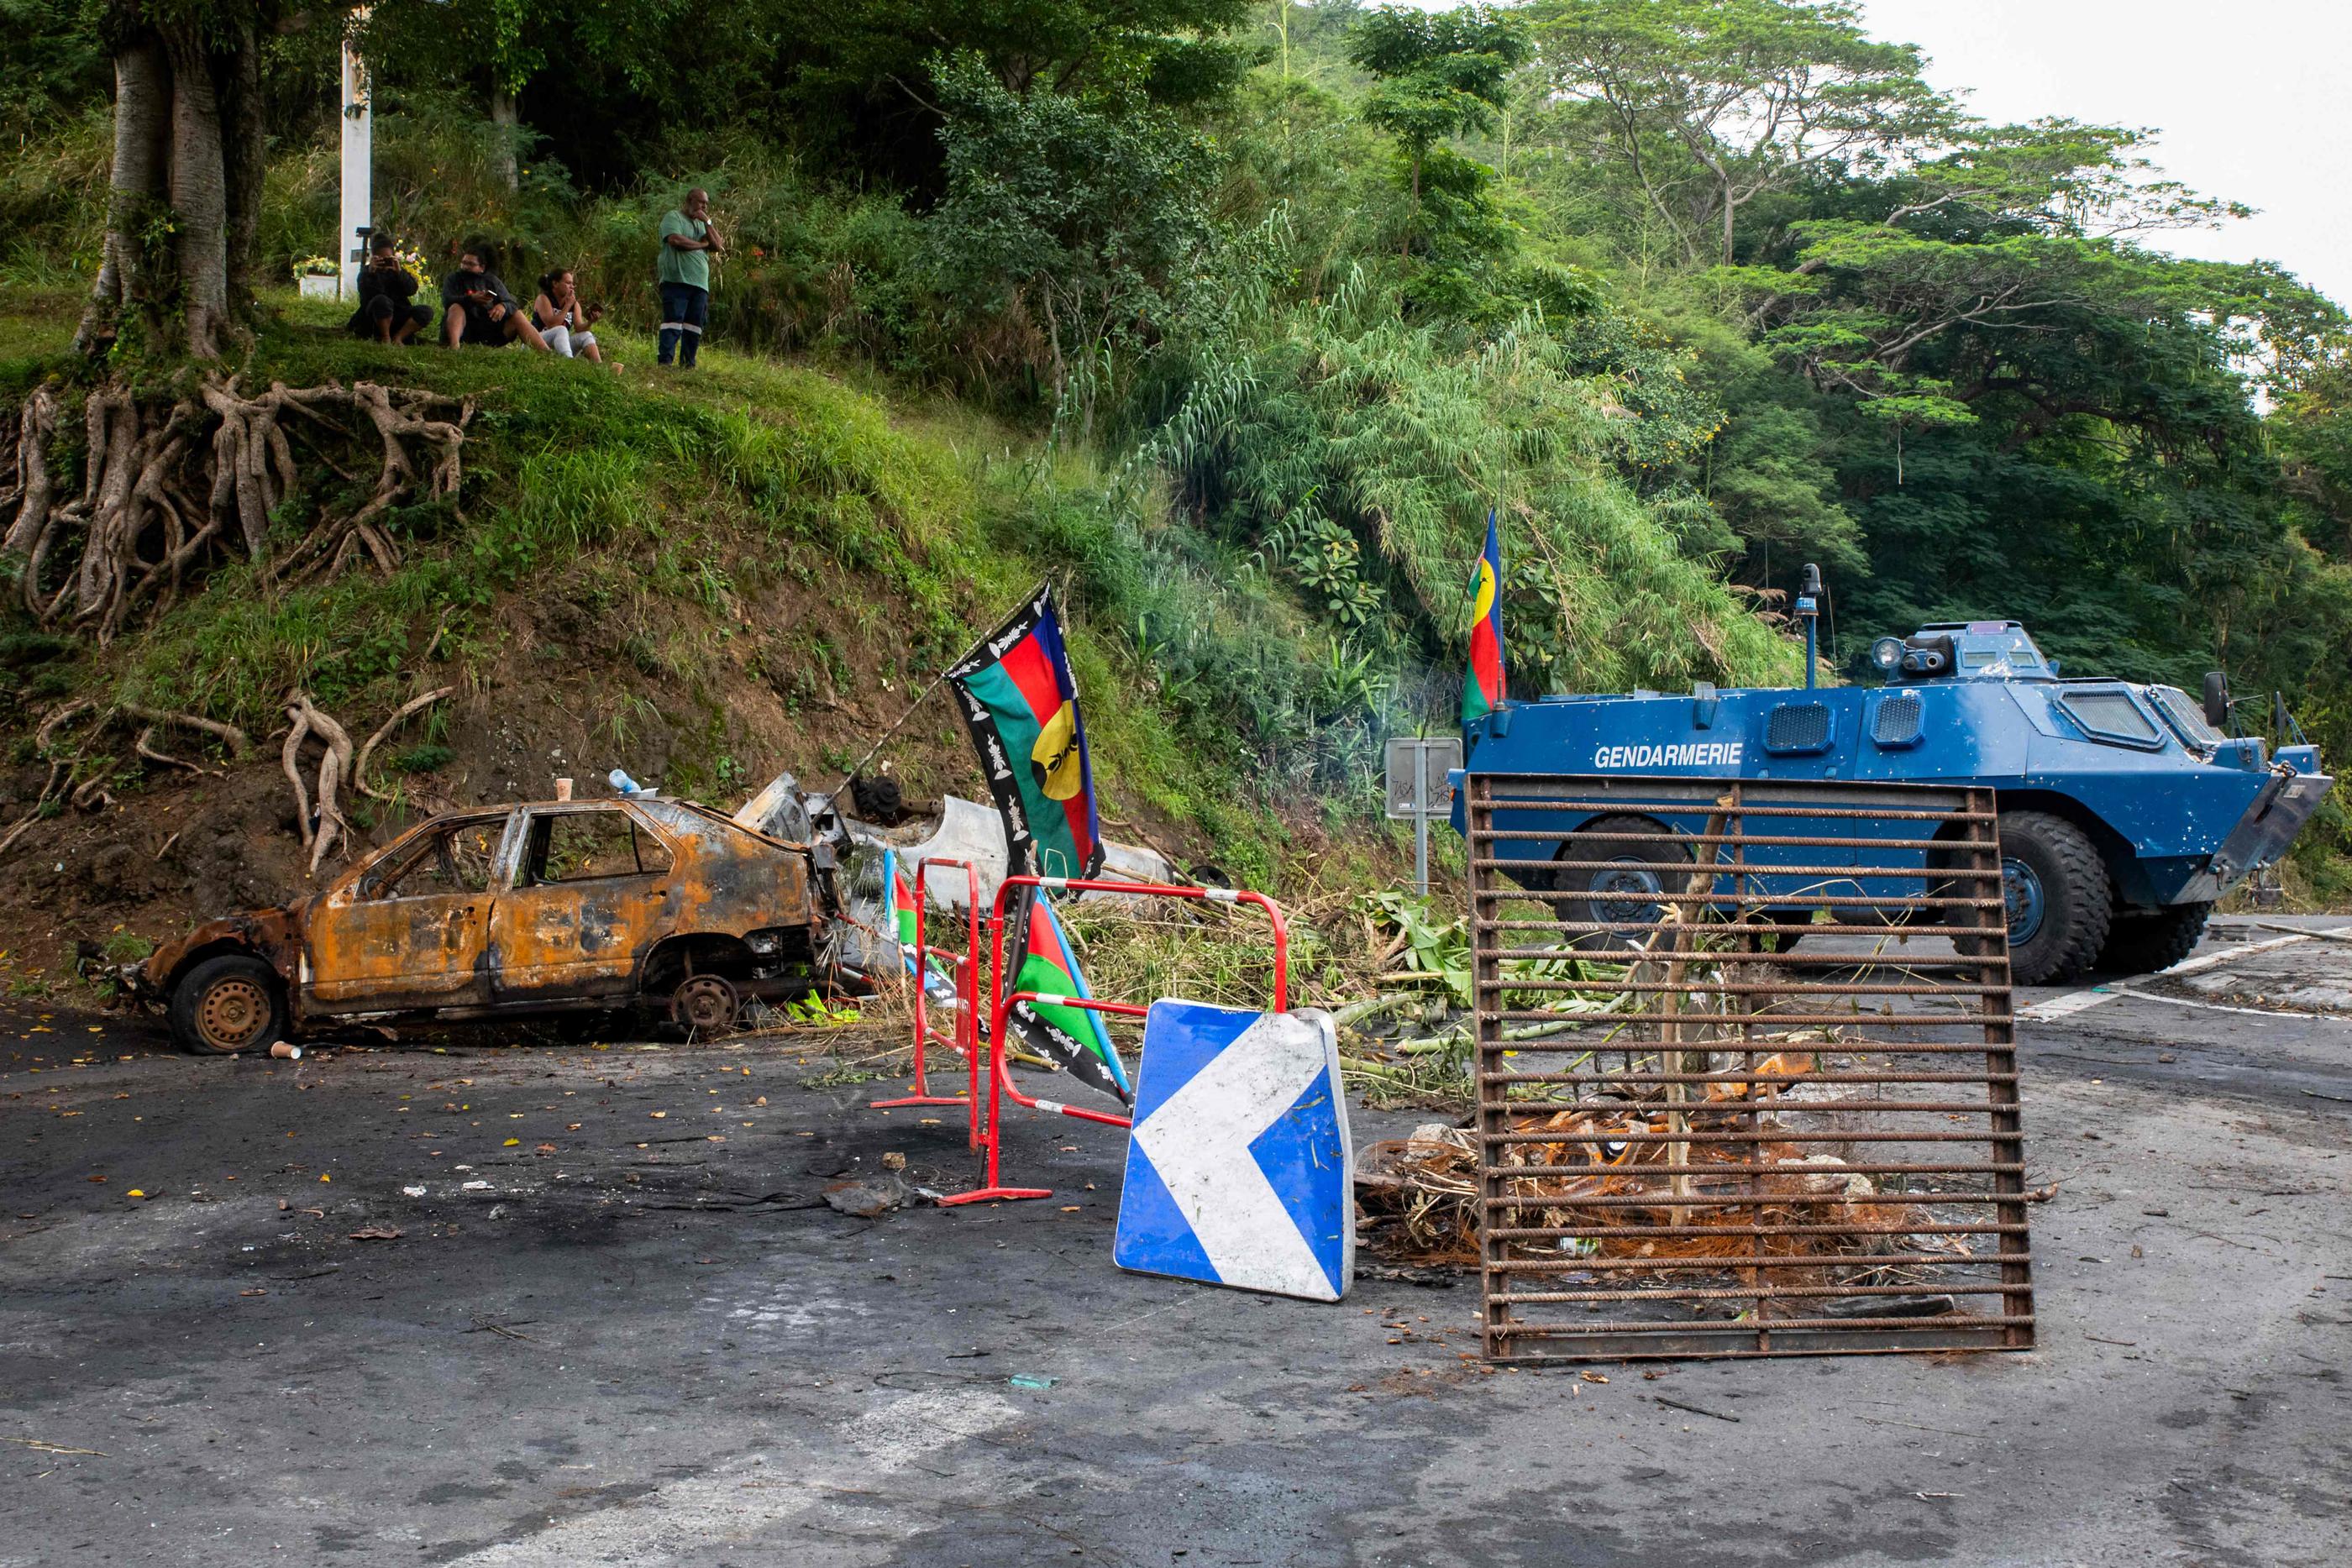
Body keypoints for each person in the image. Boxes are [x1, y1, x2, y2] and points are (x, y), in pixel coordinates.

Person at [439, 241, 549, 350]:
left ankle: (545, 351)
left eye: (471, 264)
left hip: (489, 331)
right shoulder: (453, 278)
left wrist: (503, 306)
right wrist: (470, 299)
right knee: (455, 307)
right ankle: (454, 347)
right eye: (463, 263)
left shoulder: (492, 281)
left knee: (517, 314)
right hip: (464, 329)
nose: (465, 267)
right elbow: (447, 300)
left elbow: (512, 303)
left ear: (482, 267)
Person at [656, 188, 722, 368]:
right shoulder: (674, 217)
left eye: (706, 204)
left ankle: (687, 365)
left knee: (694, 325)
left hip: (700, 284)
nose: (704, 206)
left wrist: (708, 222)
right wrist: (701, 245)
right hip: (676, 279)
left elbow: (717, 245)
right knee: (673, 321)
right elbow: (676, 241)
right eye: (701, 202)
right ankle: (665, 362)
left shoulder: (702, 224)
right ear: (690, 200)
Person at [346, 232, 433, 344]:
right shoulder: (366, 273)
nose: (385, 262)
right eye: (381, 259)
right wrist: (372, 273)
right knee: (382, 301)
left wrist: (400, 273)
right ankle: (385, 337)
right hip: (376, 316)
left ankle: (399, 337)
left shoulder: (398, 272)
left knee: (426, 311)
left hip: (399, 313)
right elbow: (365, 298)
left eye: (388, 259)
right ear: (374, 257)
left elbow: (411, 290)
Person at [531, 268, 605, 361]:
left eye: (572, 284)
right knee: (561, 329)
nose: (572, 287)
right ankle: (568, 362)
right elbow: (552, 325)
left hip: (559, 347)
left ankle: (598, 367)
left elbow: (579, 328)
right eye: (568, 283)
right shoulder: (543, 298)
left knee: (586, 335)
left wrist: (590, 322)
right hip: (535, 343)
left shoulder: (574, 304)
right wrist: (568, 305)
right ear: (555, 284)